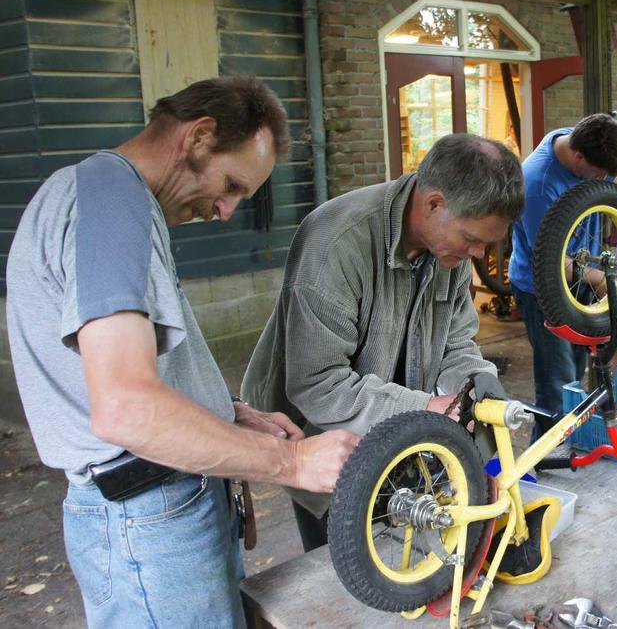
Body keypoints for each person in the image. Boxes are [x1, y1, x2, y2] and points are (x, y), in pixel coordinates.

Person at [5, 76, 361, 628]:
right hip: (148, 516)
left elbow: (124, 373)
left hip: (151, 506)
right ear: (198, 137)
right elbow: (126, 407)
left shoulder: (105, 194)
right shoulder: (112, 209)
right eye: (231, 185)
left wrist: (227, 414)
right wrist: (293, 462)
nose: (224, 211)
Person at [242, 133, 525, 552]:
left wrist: (479, 393)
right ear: (433, 204)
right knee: (345, 571)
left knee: (410, 546)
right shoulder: (336, 243)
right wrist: (427, 408)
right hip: (315, 436)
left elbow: (456, 343)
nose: (479, 254)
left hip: (397, 427)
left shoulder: (451, 250)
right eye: (471, 238)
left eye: (488, 243)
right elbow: (318, 385)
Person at [507, 113, 617, 439]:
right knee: (558, 384)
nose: (604, 178)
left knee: (579, 370)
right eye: (599, 173)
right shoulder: (537, 184)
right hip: (544, 287)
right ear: (578, 158)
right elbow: (551, 262)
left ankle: (575, 448)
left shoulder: (579, 138)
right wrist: (605, 279)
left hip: (584, 276)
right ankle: (547, 468)